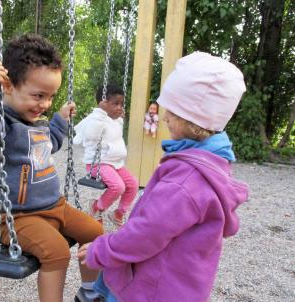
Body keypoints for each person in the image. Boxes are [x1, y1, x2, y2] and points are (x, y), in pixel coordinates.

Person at [77, 51, 249, 302]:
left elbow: (146, 233)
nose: (166, 117)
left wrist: (101, 249)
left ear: (194, 120)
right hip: (180, 285)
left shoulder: (185, 182)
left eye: (174, 112)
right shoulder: (211, 162)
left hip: (150, 289)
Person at [0, 33, 104, 302]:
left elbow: (48, 144)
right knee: (58, 251)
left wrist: (60, 120)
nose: (45, 104)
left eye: (50, 97)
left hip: (55, 206)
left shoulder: (38, 119)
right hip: (18, 218)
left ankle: (89, 292)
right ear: (7, 86)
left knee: (96, 233)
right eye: (39, 95)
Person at [74, 84, 138, 227]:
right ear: (102, 104)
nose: (120, 107)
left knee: (133, 184)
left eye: (121, 104)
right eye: (115, 103)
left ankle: (118, 213)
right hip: (98, 163)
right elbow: (91, 135)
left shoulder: (114, 120)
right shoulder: (95, 119)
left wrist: (120, 120)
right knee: (118, 186)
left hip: (114, 163)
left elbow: (114, 137)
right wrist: (100, 114)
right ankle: (96, 207)